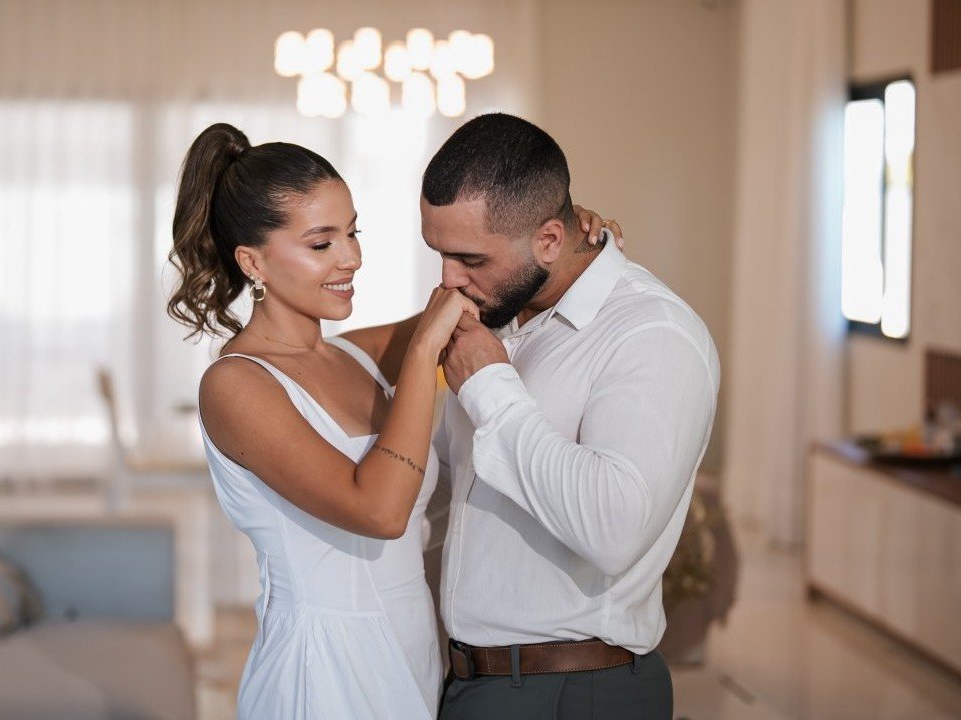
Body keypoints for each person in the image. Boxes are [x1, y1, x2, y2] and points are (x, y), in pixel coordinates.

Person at [166, 122, 618, 719]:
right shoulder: (236, 385)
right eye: (321, 243)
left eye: (352, 233)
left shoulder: (356, 356)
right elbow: (379, 511)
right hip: (325, 670)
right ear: (253, 261)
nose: (352, 257)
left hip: (414, 653)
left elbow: (482, 293)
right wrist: (424, 351)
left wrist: (554, 233)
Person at [422, 113, 720, 719]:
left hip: (575, 691)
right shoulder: (499, 316)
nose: (448, 279)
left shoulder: (653, 333)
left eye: (469, 257)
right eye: (440, 253)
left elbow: (614, 530)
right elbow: (454, 495)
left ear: (550, 240)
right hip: (477, 683)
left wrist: (490, 387)